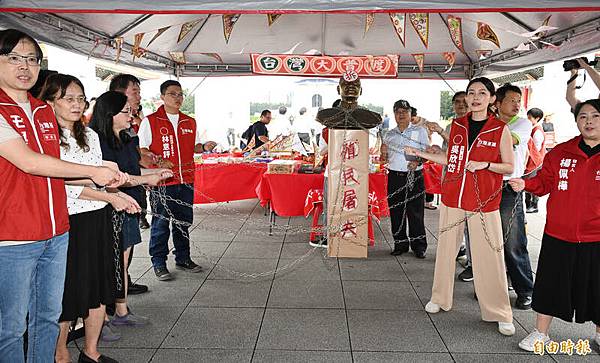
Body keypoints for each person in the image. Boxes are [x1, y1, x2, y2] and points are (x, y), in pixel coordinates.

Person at [0, 28, 121, 362]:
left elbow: (62, 165)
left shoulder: (42, 112)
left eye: (31, 59)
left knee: (48, 318)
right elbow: (29, 162)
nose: (24, 66)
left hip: (56, 231)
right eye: (13, 58)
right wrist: (96, 174)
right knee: (10, 327)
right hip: (12, 236)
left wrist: (104, 173)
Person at [39, 74, 140, 363]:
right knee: (70, 292)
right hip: (69, 222)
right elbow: (65, 185)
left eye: (80, 98)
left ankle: (91, 351)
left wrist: (119, 190)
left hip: (98, 219)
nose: (76, 104)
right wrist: (112, 196)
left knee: (99, 288)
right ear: (50, 102)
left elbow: (98, 176)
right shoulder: (46, 137)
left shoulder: (90, 135)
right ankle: (60, 354)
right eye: (68, 98)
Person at [405, 77, 516, 336]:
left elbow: (510, 167)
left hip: (484, 201)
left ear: (491, 99)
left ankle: (499, 311)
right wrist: (422, 153)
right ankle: (440, 298)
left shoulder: (500, 129)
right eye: (471, 92)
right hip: (453, 196)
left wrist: (485, 165)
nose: (475, 97)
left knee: (490, 254)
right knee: (446, 250)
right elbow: (451, 158)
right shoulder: (457, 125)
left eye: (481, 93)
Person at [510, 99, 600, 351]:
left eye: (595, 116)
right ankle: (541, 333)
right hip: (559, 233)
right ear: (577, 121)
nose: (589, 121)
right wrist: (524, 184)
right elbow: (544, 182)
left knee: (597, 287)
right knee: (550, 285)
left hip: (597, 236)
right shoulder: (561, 152)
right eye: (583, 117)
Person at [90, 91, 173, 331]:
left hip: (129, 206)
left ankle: (122, 309)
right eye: (126, 112)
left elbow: (132, 171)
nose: (131, 116)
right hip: (109, 208)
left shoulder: (125, 139)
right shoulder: (97, 142)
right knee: (108, 264)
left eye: (132, 111)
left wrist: (153, 175)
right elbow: (114, 180)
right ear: (109, 114)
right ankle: (101, 317)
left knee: (122, 262)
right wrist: (146, 178)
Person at [139, 80, 216, 281]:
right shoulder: (151, 121)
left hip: (186, 179)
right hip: (163, 181)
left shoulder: (189, 122)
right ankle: (158, 262)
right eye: (173, 94)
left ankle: (183, 257)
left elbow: (194, 147)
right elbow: (141, 149)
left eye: (181, 94)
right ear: (162, 97)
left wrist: (205, 147)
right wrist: (158, 160)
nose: (178, 98)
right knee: (160, 223)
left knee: (183, 222)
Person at [109, 73, 151, 298]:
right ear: (118, 94)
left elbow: (134, 155)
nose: (138, 96)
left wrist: (148, 164)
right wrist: (147, 177)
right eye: (134, 91)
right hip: (119, 197)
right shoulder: (106, 129)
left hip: (133, 192)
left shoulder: (129, 124)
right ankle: (116, 294)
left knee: (129, 242)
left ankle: (123, 283)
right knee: (119, 246)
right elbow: (112, 172)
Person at [493, 83, 535, 310]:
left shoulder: (521, 123)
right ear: (498, 103)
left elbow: (511, 141)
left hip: (511, 187)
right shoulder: (490, 124)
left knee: (513, 242)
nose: (517, 104)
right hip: (488, 186)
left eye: (519, 100)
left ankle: (525, 290)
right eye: (512, 100)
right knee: (490, 242)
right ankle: (494, 289)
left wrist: (489, 132)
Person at [426, 90, 472, 279]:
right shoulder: (452, 124)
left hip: (468, 182)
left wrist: (440, 132)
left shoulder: (474, 125)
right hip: (451, 181)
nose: (460, 105)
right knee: (452, 221)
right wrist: (435, 151)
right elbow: (449, 154)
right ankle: (457, 251)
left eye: (464, 101)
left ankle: (473, 263)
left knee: (471, 225)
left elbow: (463, 148)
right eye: (457, 102)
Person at [381, 99, 429, 259]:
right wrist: (383, 154)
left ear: (410, 114)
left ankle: (419, 246)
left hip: (414, 176)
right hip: (395, 176)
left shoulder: (420, 131)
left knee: (415, 212)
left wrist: (418, 161)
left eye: (404, 112)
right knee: (396, 211)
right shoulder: (389, 134)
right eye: (398, 112)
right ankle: (400, 244)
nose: (401, 115)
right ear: (394, 114)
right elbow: (385, 157)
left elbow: (427, 154)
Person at [524, 107, 546, 213]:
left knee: (532, 184)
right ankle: (529, 205)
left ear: (537, 118)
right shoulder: (532, 129)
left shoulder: (537, 131)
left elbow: (536, 149)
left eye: (530, 118)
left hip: (535, 162)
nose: (527, 120)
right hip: (532, 161)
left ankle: (533, 205)